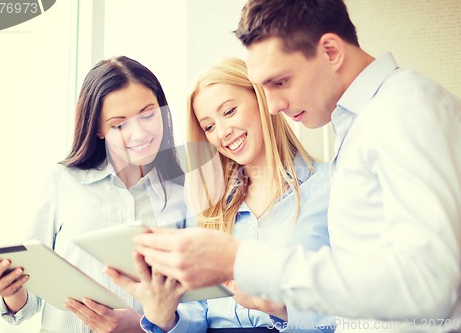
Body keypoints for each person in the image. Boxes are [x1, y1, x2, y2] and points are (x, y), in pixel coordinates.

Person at [130, 1, 461, 332]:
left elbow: (428, 285)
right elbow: (370, 284)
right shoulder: (361, 126)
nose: (274, 106)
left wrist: (242, 260)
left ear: (330, 51)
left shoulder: (407, 111)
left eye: (280, 82)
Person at [107, 57, 334, 332]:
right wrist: (165, 318)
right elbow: (196, 313)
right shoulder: (205, 204)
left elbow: (358, 303)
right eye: (209, 127)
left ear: (262, 100)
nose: (223, 132)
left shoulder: (329, 186)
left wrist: (280, 308)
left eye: (229, 112)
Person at [0, 56, 202, 333]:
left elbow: (199, 305)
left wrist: (141, 325)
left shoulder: (184, 192)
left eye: (148, 115)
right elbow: (31, 299)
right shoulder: (62, 181)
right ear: (98, 128)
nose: (139, 133)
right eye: (119, 125)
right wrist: (10, 290)